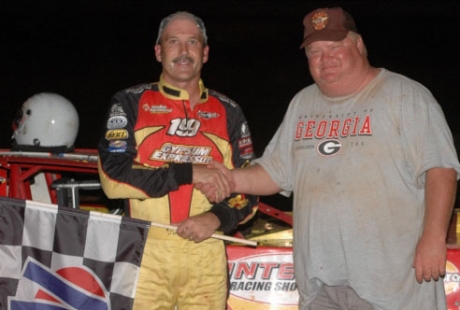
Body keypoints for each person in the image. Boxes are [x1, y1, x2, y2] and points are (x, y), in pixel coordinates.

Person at [199, 7, 460, 310]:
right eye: (315, 51)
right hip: (320, 286)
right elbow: (276, 172)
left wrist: (433, 239)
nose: (326, 58)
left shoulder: (405, 96)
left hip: (392, 284)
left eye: (335, 46)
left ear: (359, 45)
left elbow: (440, 169)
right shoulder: (303, 103)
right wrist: (227, 179)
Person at [97, 11, 257, 310]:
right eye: (174, 42)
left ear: (205, 53)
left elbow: (250, 188)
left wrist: (216, 218)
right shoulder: (130, 102)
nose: (183, 51)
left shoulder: (230, 111)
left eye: (192, 42)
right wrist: (189, 172)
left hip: (206, 253)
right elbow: (112, 178)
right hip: (144, 254)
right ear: (159, 51)